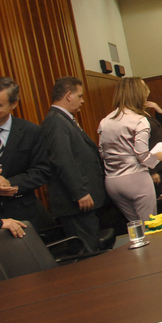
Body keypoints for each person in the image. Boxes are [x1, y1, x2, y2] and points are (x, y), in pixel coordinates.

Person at [41, 77, 107, 252]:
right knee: (88, 251)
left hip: (83, 200)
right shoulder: (55, 121)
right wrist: (80, 193)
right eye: (80, 96)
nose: (83, 100)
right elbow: (62, 160)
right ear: (68, 95)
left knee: (93, 246)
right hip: (75, 203)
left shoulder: (65, 119)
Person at [98, 77, 162, 222]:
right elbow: (142, 156)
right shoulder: (139, 120)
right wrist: (158, 157)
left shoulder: (105, 121)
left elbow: (102, 153)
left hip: (112, 181)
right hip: (136, 179)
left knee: (136, 227)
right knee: (149, 224)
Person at [0, 77, 50, 230]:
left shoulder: (31, 132)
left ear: (13, 104)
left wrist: (10, 183)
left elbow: (42, 171)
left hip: (22, 213)